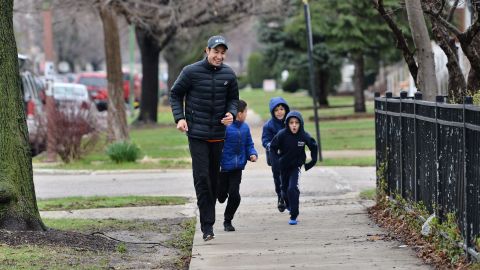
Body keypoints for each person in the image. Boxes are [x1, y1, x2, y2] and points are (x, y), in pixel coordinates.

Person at [169, 35, 239, 241]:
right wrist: (179, 118)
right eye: (215, 52)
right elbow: (175, 94)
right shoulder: (190, 72)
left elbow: (233, 99)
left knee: (214, 179)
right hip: (197, 134)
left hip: (218, 135)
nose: (219, 56)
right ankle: (207, 227)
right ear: (206, 51)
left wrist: (231, 114)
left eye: (222, 52)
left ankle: (219, 190)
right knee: (202, 178)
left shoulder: (229, 74)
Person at [270, 111, 317, 225]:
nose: (294, 125)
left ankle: (294, 215)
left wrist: (311, 162)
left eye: (296, 123)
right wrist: (275, 163)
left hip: (296, 166)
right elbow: (272, 148)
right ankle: (287, 203)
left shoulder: (304, 135)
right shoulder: (282, 134)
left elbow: (313, 146)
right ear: (287, 124)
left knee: (292, 188)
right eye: (291, 123)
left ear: (300, 124)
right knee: (284, 190)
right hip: (283, 167)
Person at [217, 100, 258, 232]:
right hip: (223, 168)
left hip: (237, 168)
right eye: (245, 111)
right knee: (222, 195)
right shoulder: (225, 127)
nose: (246, 114)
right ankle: (220, 193)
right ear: (239, 113)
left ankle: (227, 221)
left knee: (235, 195)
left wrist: (252, 154)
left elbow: (249, 144)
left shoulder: (245, 128)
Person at [261, 97, 290, 212]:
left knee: (289, 177)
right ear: (273, 112)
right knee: (278, 177)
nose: (279, 112)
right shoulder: (269, 125)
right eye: (276, 110)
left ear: (286, 110)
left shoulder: (290, 122)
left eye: (282, 109)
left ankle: (289, 197)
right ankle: (280, 197)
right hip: (275, 155)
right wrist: (270, 145)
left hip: (289, 154)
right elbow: (265, 140)